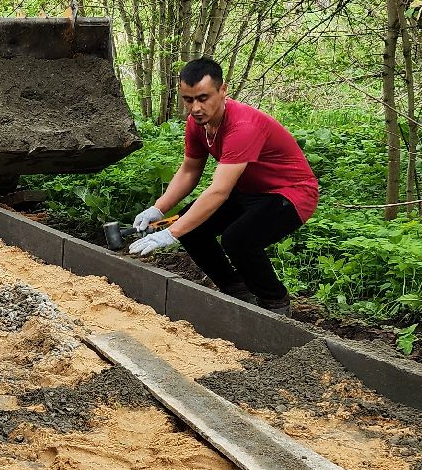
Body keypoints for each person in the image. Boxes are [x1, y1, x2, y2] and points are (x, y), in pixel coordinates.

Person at [128, 57, 318, 314]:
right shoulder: (198, 124)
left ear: (223, 90)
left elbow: (219, 191)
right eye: (188, 100)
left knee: (238, 239)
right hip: (249, 191)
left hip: (290, 194)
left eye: (203, 98)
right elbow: (190, 169)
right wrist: (159, 209)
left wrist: (169, 233)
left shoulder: (242, 126)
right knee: (191, 228)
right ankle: (238, 292)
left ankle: (275, 302)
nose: (195, 108)